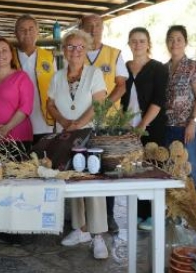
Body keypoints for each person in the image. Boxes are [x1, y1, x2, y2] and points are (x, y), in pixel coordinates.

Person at [47, 30, 109, 259]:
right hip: (67, 135)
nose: (75, 51)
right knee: (72, 180)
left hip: (90, 135)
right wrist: (64, 122)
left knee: (92, 183)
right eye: (71, 47)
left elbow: (99, 104)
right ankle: (80, 230)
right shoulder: (57, 76)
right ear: (64, 50)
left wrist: (77, 124)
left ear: (87, 50)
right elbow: (50, 104)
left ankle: (98, 236)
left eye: (80, 47)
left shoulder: (95, 74)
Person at [79, 13, 128, 233]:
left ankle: (109, 216)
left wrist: (102, 107)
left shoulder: (114, 54)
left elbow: (121, 86)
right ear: (81, 28)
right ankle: (82, 219)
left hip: (107, 123)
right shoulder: (76, 53)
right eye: (88, 26)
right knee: (82, 167)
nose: (93, 29)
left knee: (107, 169)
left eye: (97, 26)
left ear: (103, 29)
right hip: (80, 121)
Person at [120, 27, 168, 231]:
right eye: (133, 41)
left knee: (152, 170)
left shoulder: (158, 68)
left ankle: (154, 215)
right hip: (128, 128)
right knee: (134, 170)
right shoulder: (123, 68)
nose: (137, 44)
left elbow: (158, 100)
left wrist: (141, 125)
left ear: (148, 43)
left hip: (152, 127)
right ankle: (139, 214)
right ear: (129, 44)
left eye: (141, 40)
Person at [164, 25, 196, 196]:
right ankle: (176, 215)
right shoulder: (163, 68)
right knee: (172, 171)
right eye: (171, 39)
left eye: (179, 39)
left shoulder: (193, 67)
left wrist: (193, 123)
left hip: (188, 129)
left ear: (185, 42)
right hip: (168, 128)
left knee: (192, 169)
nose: (175, 43)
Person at [0, 38, 34, 150]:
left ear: (11, 54)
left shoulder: (22, 77)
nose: (0, 54)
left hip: (18, 138)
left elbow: (26, 107)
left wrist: (5, 129)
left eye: (4, 50)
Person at [11, 14, 56, 143]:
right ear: (15, 33)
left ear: (37, 31)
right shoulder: (9, 57)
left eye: (31, 29)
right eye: (22, 29)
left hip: (45, 122)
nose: (27, 33)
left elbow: (58, 87)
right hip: (16, 123)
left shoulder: (49, 56)